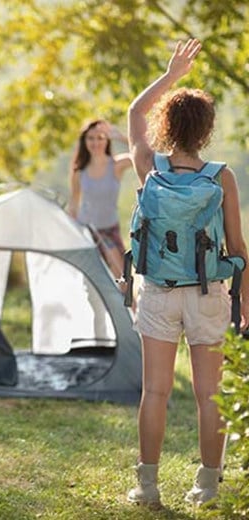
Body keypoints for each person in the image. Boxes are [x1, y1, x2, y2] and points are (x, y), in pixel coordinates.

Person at [125, 38, 249, 508]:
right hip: (207, 294)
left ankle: (148, 486)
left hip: (157, 289)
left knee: (154, 391)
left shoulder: (149, 168)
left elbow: (136, 111)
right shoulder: (221, 176)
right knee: (209, 395)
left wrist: (172, 74)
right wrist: (246, 299)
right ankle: (208, 487)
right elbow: (237, 248)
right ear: (207, 130)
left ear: (167, 125)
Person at [68, 119, 133, 281]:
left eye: (100, 137)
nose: (95, 142)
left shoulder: (117, 165)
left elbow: (146, 155)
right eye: (90, 138)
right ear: (84, 141)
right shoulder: (79, 172)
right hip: (88, 231)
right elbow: (74, 204)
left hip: (110, 230)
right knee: (94, 284)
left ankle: (132, 307)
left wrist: (119, 136)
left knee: (124, 280)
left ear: (107, 140)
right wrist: (71, 231)